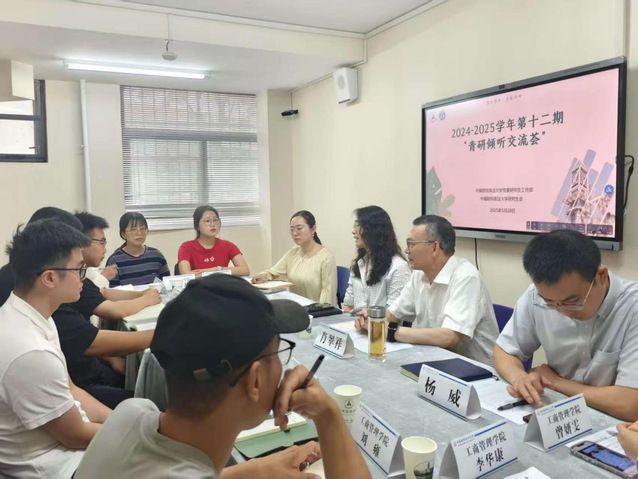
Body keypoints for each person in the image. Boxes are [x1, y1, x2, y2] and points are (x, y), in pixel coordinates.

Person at [74, 275, 370, 479]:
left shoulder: (131, 414)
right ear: (255, 381)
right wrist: (328, 416)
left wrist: (253, 471)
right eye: (278, 352)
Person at [0, 220, 111, 478]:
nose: (83, 276)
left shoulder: (33, 315)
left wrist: (119, 422)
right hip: (57, 466)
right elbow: (74, 436)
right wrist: (134, 436)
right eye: (79, 269)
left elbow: (71, 389)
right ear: (49, 277)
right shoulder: (30, 351)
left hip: (68, 447)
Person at [494, 229, 638, 421]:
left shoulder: (632, 308)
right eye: (550, 303)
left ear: (601, 276)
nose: (562, 310)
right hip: (560, 413)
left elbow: (629, 404)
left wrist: (556, 382)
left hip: (616, 425)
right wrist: (519, 378)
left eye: (573, 301)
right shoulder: (537, 297)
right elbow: (504, 351)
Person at [361, 214, 498, 365]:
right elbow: (393, 314)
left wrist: (391, 331)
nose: (406, 250)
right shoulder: (419, 274)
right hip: (433, 361)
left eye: (411, 244)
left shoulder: (466, 277)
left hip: (474, 369)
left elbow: (450, 337)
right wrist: (371, 319)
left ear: (434, 247)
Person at [71, 212, 161, 322]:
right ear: (82, 242)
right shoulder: (72, 278)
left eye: (143, 229)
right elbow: (115, 310)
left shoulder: (84, 273)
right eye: (102, 242)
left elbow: (104, 292)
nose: (105, 249)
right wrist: (146, 299)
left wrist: (142, 294)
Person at [252, 210, 337, 305]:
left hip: (318, 310)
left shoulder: (326, 258)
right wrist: (263, 276)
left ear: (313, 229)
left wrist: (318, 311)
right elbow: (274, 272)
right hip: (297, 306)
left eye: (299, 228)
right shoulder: (293, 253)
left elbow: (327, 297)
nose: (295, 233)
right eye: (292, 229)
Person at [342, 205, 411, 313]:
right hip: (354, 322)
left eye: (358, 225)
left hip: (379, 323)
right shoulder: (360, 262)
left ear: (374, 230)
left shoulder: (398, 267)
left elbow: (394, 314)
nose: (353, 231)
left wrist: (366, 318)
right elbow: (348, 304)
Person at [178, 205, 250, 276]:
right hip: (198, 283)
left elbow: (245, 270)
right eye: (207, 221)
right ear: (197, 226)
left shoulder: (228, 245)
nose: (212, 224)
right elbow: (185, 274)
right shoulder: (186, 247)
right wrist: (218, 272)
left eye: (215, 220)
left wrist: (217, 269)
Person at [106, 212, 170, 287]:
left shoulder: (156, 256)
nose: (139, 233)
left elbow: (167, 285)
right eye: (133, 229)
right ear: (123, 234)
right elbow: (112, 291)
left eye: (142, 228)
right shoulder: (114, 261)